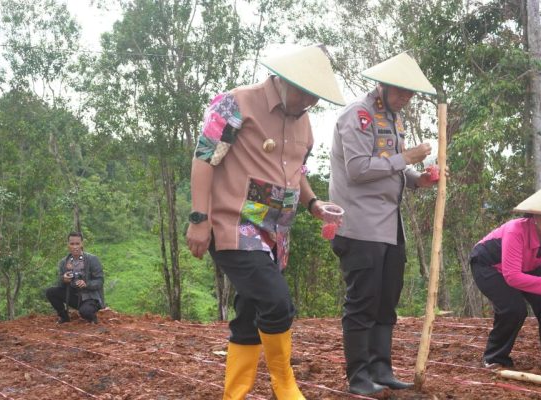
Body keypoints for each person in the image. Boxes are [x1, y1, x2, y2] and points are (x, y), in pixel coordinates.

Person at [186, 44, 345, 400]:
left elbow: (296, 171)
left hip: (276, 234)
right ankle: (284, 385)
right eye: (304, 92)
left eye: (315, 97)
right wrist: (199, 219)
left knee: (250, 312)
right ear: (284, 79)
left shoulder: (304, 123)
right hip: (233, 226)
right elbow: (204, 159)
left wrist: (314, 203)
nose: (308, 102)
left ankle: (234, 394)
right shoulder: (237, 103)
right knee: (277, 302)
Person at [328, 52, 438, 396]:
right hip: (360, 226)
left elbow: (392, 165)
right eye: (401, 91)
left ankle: (381, 368)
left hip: (390, 227)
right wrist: (407, 158)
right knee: (362, 301)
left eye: (411, 93)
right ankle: (358, 376)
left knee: (386, 301)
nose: (406, 98)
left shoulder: (391, 119)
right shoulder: (357, 116)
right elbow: (360, 169)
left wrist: (417, 178)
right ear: (384, 85)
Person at [469, 185, 541, 369]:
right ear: (536, 217)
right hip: (487, 264)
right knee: (513, 308)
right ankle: (494, 358)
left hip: (524, 265)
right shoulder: (516, 230)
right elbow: (512, 277)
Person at [45, 231, 104, 324]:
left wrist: (86, 284)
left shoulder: (92, 259)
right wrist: (64, 279)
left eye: (77, 243)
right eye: (72, 244)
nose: (75, 247)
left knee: (85, 312)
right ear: (68, 245)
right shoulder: (64, 262)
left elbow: (100, 281)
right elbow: (60, 284)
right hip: (73, 297)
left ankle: (92, 317)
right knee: (50, 292)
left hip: (89, 297)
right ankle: (64, 317)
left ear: (82, 244)